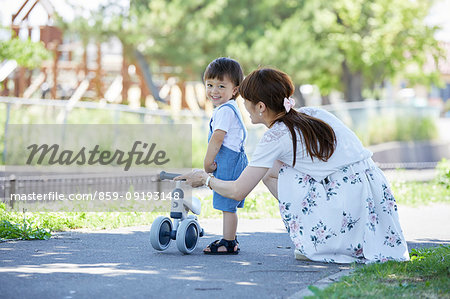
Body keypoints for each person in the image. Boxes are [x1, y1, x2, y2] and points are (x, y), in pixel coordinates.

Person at [177, 67, 410, 263]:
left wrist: (205, 179)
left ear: (260, 107)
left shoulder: (275, 136)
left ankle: (317, 238)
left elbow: (238, 190)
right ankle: (324, 234)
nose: (243, 106)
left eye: (246, 101)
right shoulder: (312, 114)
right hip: (375, 195)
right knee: (275, 167)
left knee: (269, 171)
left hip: (347, 205)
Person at [201, 57, 248, 255]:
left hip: (229, 160)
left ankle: (228, 242)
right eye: (210, 85)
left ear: (235, 90)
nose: (214, 91)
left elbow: (217, 139)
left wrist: (207, 162)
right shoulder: (229, 109)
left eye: (221, 86)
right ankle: (231, 237)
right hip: (235, 158)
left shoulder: (224, 111)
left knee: (227, 205)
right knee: (228, 204)